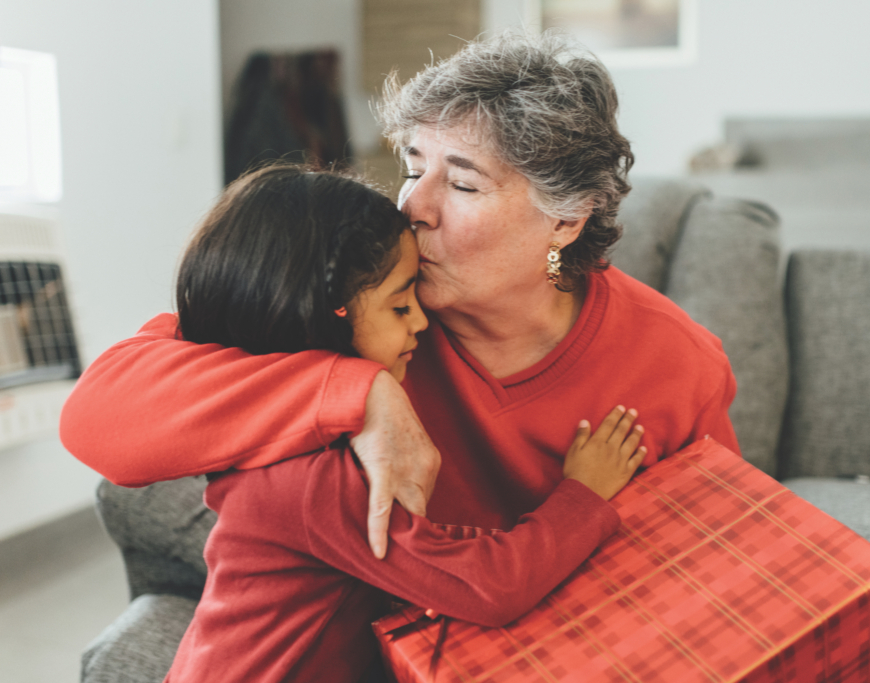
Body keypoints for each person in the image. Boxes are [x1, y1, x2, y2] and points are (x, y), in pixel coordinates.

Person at [60, 31, 739, 559]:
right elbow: (96, 419)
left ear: (565, 217)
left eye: (464, 184)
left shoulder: (676, 364)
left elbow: (716, 566)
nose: (414, 205)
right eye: (413, 167)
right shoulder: (361, 301)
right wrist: (361, 394)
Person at [153, 163, 646, 682]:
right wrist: (584, 493)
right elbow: (489, 586)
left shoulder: (298, 433)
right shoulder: (312, 478)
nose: (420, 320)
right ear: (327, 314)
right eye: (398, 304)